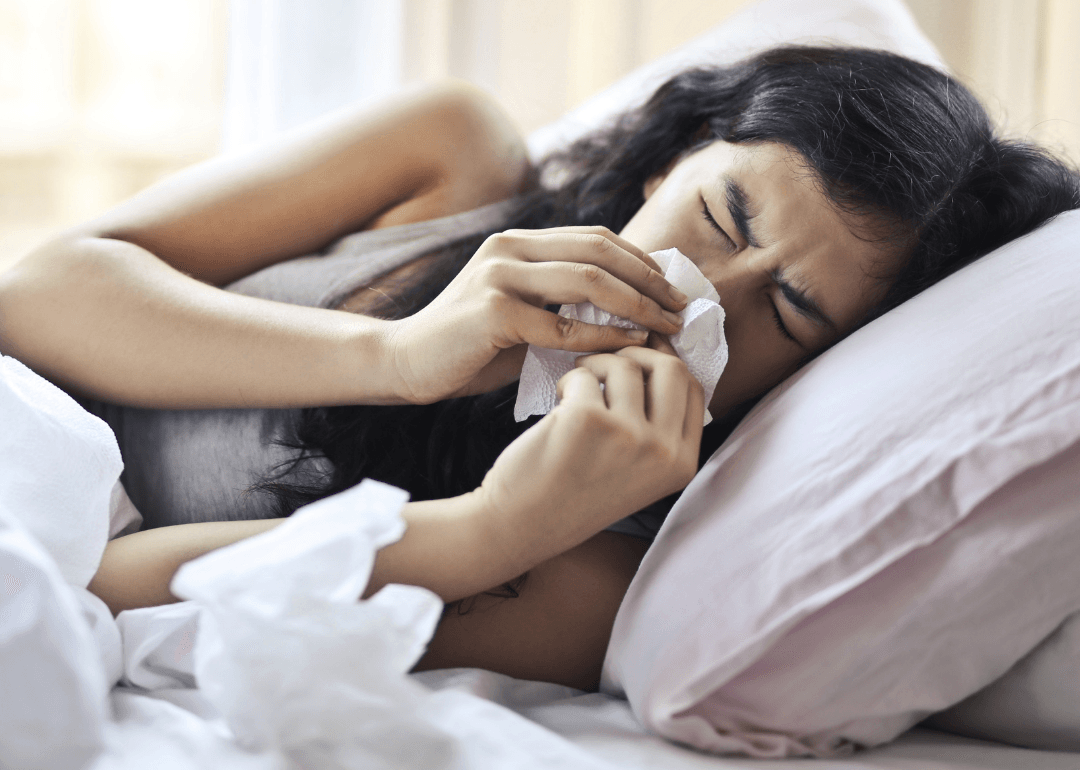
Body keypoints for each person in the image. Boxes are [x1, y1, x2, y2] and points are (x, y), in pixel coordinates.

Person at [1, 46, 1076, 691]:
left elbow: (88, 588)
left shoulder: (597, 560)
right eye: (719, 215)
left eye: (787, 314)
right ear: (676, 154)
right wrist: (398, 355)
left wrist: (488, 529)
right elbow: (36, 298)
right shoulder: (452, 154)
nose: (704, 291)